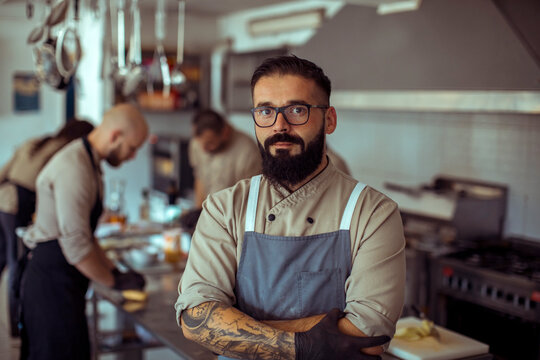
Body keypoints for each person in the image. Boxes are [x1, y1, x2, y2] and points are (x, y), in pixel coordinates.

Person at [175, 55, 406, 360]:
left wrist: (236, 323)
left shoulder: (373, 213)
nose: (279, 126)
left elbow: (369, 333)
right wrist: (304, 345)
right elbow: (196, 319)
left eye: (298, 110)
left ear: (330, 119)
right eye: (266, 111)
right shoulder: (224, 208)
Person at [19, 103, 149, 360]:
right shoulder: (74, 166)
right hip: (51, 287)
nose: (132, 156)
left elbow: (87, 238)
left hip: (66, 284)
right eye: (132, 148)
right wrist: (114, 283)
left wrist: (114, 270)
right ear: (115, 136)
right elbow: (76, 247)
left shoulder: (90, 161)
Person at [0, 118, 94, 337]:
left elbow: (4, 170)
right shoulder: (66, 152)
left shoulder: (37, 141)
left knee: (3, 258)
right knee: (17, 265)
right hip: (18, 204)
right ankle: (16, 326)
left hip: (3, 199)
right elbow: (50, 187)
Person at [179, 109, 262, 231]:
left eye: (210, 143)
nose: (203, 149)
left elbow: (250, 199)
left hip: (232, 223)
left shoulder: (247, 151)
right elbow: (200, 178)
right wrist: (199, 213)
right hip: (209, 217)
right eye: (200, 143)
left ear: (225, 133)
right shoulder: (198, 143)